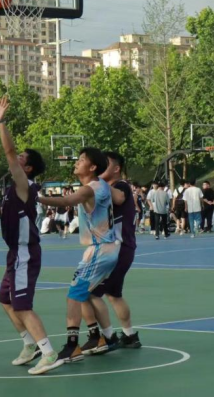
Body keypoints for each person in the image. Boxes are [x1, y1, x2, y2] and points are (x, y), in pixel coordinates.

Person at [0, 97, 62, 375]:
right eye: (19, 156)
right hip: (16, 253)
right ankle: (29, 344)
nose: (17, 157)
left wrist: (0, 121)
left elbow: (9, 151)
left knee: (22, 305)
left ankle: (49, 353)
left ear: (28, 168)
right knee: (5, 299)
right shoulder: (14, 188)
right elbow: (13, 214)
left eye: (23, 158)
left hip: (25, 252)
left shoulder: (25, 184)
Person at [37, 148, 122, 364]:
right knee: (84, 293)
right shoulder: (102, 185)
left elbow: (65, 201)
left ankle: (72, 346)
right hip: (105, 248)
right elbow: (120, 197)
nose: (76, 162)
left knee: (74, 295)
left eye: (82, 160)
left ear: (92, 167)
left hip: (100, 249)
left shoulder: (89, 189)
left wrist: (35, 197)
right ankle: (99, 337)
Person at [83, 151, 142, 353]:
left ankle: (107, 337)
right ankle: (130, 335)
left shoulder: (121, 185)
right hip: (121, 248)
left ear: (116, 169)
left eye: (105, 164)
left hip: (118, 248)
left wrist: (94, 178)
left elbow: (119, 199)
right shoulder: (103, 189)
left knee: (88, 292)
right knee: (114, 294)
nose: (100, 166)